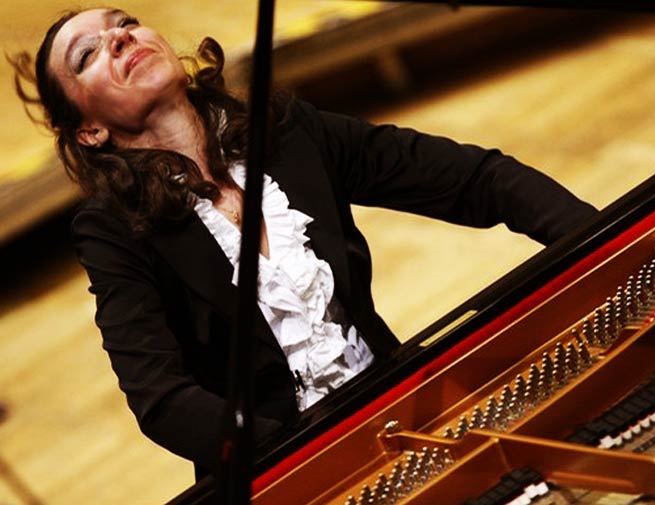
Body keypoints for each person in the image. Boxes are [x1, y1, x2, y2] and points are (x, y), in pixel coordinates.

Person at [10, 7, 597, 481]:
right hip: (283, 474)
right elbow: (160, 397)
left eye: (125, 23)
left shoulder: (288, 133)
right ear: (90, 131)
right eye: (88, 54)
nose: (120, 38)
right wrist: (301, 457)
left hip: (408, 421)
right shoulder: (114, 230)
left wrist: (605, 249)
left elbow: (479, 181)